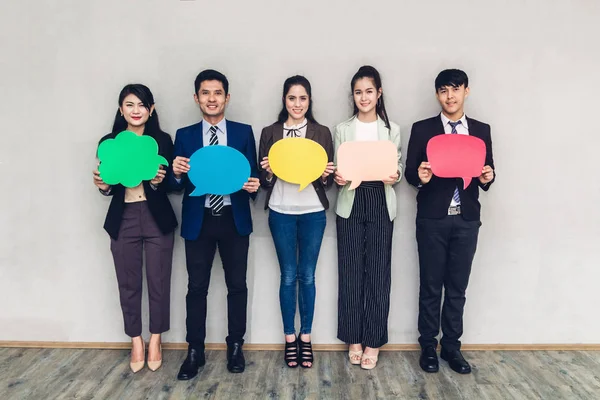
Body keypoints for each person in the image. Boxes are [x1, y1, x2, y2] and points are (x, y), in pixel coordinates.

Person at [171, 69, 260, 379]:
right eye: (205, 93)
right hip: (200, 221)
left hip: (234, 220)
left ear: (227, 97)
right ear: (197, 98)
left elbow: (253, 179)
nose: (212, 98)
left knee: (237, 286)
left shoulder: (243, 132)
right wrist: (177, 172)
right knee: (196, 288)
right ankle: (195, 351)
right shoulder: (184, 136)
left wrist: (254, 186)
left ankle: (235, 346)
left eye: (217, 93)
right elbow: (174, 183)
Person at [405, 68, 495, 374]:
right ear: (437, 95)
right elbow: (410, 175)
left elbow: (487, 172)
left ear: (466, 91)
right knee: (430, 285)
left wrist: (488, 176)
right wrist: (419, 176)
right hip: (432, 219)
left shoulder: (481, 131)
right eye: (444, 91)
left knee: (457, 288)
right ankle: (428, 345)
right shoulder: (423, 129)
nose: (450, 96)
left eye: (455, 89)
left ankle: (452, 348)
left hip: (467, 219)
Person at [93, 84, 177, 373]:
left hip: (156, 217)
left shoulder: (162, 140)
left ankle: (156, 338)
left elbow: (172, 183)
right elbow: (108, 182)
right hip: (124, 217)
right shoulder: (109, 142)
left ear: (151, 109)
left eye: (142, 105)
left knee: (159, 280)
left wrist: (156, 181)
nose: (136, 110)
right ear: (121, 109)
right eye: (130, 104)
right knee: (128, 283)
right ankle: (136, 340)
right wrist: (103, 186)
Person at [258, 75, 335, 368]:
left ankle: (307, 336)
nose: (297, 104)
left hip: (313, 212)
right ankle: (289, 337)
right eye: (292, 98)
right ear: (284, 100)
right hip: (280, 211)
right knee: (288, 276)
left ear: (309, 101)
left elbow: (325, 182)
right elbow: (264, 182)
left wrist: (327, 175)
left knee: (309, 276)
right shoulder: (270, 132)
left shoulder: (321, 133)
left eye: (303, 98)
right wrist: (266, 172)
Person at [333, 65, 402, 370]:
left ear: (379, 93)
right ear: (353, 95)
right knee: (350, 272)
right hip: (350, 200)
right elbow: (339, 167)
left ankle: (373, 341)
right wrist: (337, 177)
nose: (364, 97)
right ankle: (353, 339)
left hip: (379, 199)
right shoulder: (342, 129)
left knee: (377, 273)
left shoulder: (392, 130)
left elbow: (395, 168)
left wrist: (395, 175)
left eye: (369, 91)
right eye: (358, 92)